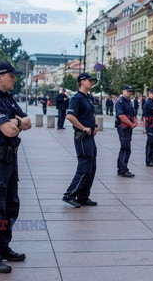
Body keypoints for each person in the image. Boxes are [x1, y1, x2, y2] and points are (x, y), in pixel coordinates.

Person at [0, 61, 32, 273]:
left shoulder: (7, 98)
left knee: (11, 205)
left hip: (10, 158)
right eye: (12, 75)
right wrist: (17, 124)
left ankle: (2, 247)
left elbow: (27, 121)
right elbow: (10, 131)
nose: (15, 79)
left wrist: (16, 123)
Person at [63, 73, 98, 208]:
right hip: (82, 137)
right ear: (82, 82)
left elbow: (91, 114)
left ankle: (83, 196)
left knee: (91, 167)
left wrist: (94, 126)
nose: (91, 82)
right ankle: (69, 195)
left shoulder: (88, 97)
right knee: (84, 167)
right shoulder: (76, 98)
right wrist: (83, 128)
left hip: (90, 136)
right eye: (90, 80)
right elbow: (70, 116)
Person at [115, 85, 136, 178]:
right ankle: (122, 169)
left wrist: (135, 122)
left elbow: (133, 114)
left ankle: (122, 168)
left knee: (126, 148)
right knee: (125, 148)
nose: (130, 93)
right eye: (128, 91)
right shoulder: (120, 102)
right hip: (123, 127)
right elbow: (121, 116)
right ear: (123, 91)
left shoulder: (129, 102)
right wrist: (131, 124)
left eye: (131, 91)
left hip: (128, 128)